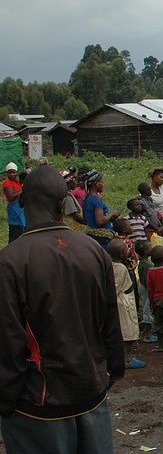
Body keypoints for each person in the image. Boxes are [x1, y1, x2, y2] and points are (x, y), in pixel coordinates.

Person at [0, 165, 124, 453]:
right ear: (63, 205)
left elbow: (8, 342)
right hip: (91, 391)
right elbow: (110, 322)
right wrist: (111, 372)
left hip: (38, 404)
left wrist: (7, 400)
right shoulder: (94, 250)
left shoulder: (10, 261)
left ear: (21, 202)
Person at [108, 239, 146, 370]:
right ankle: (127, 359)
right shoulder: (120, 268)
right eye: (126, 250)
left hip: (121, 300)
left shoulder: (108, 265)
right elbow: (115, 288)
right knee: (128, 332)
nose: (128, 252)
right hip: (123, 302)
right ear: (120, 254)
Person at [83, 169, 121, 247]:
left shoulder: (85, 199)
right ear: (96, 183)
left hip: (92, 236)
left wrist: (109, 218)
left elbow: (85, 219)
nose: (103, 185)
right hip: (103, 238)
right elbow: (100, 221)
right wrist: (112, 213)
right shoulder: (96, 199)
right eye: (102, 182)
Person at [135, 239, 158, 343]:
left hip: (145, 289)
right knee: (148, 310)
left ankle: (150, 333)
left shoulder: (142, 263)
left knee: (147, 309)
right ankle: (148, 335)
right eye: (150, 248)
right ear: (146, 252)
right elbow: (147, 280)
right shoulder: (147, 265)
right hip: (147, 289)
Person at [3, 162, 25, 242]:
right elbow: (11, 196)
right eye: (9, 173)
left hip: (21, 209)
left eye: (13, 172)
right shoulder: (7, 182)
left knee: (21, 232)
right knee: (14, 233)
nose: (12, 174)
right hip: (14, 210)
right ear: (7, 173)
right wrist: (22, 190)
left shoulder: (18, 182)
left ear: (16, 173)